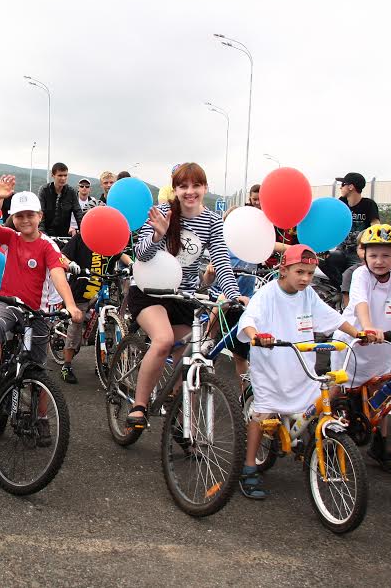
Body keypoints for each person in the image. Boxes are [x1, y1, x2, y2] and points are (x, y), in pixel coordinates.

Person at [125, 163, 246, 430]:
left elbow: (222, 263)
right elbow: (141, 256)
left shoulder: (213, 222)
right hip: (150, 291)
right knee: (164, 340)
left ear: (205, 188)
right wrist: (159, 233)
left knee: (189, 354)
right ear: (176, 189)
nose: (190, 191)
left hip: (183, 295)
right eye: (183, 186)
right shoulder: (163, 213)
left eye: (196, 185)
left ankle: (181, 423)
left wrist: (235, 295)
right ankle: (139, 405)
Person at [238, 245, 364, 499]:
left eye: (310, 273)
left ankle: (312, 448)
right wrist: (257, 336)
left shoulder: (308, 295)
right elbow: (249, 320)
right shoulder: (267, 295)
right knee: (262, 413)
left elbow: (334, 318)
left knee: (319, 402)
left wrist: (359, 334)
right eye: (300, 272)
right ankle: (249, 466)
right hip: (272, 366)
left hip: (301, 364)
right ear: (283, 270)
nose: (306, 278)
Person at [0, 179, 82, 404]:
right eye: (19, 216)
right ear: (13, 218)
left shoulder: (47, 245)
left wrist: (70, 304)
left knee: (37, 371)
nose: (24, 220)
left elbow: (57, 274)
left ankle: (41, 419)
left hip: (36, 312)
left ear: (40, 216)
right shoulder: (10, 237)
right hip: (8, 304)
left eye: (30, 215)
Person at [331, 225, 391, 472]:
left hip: (384, 346)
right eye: (374, 255)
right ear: (363, 255)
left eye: (386, 255)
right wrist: (367, 329)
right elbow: (361, 304)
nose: (379, 261)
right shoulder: (361, 276)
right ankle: (328, 440)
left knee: (382, 396)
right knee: (339, 392)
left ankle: (380, 446)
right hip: (354, 343)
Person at [58, 229, 132, 385]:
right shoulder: (81, 238)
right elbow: (62, 256)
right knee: (76, 324)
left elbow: (120, 254)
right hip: (80, 292)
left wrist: (132, 264)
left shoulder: (109, 241)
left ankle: (102, 358)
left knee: (108, 318)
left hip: (100, 289)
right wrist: (71, 265)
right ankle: (67, 365)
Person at [320, 172, 381, 288]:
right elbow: (330, 224)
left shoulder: (368, 204)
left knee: (357, 276)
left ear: (351, 187)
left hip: (358, 252)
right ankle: (342, 289)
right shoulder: (341, 203)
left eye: (343, 184)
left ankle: (348, 292)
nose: (340, 187)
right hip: (342, 250)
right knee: (321, 259)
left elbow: (375, 225)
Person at [37, 162, 83, 237]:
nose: (63, 178)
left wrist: (83, 231)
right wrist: (42, 234)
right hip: (45, 233)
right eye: (60, 175)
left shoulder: (71, 192)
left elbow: (78, 213)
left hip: (64, 235)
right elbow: (40, 213)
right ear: (53, 175)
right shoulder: (44, 190)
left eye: (65, 175)